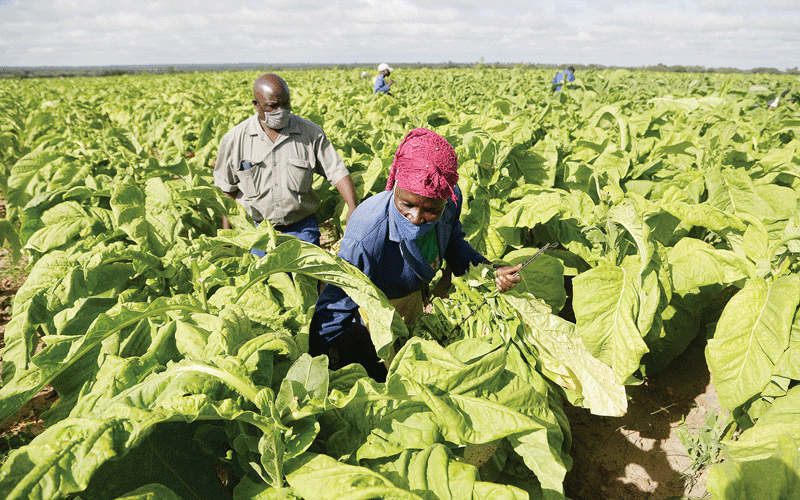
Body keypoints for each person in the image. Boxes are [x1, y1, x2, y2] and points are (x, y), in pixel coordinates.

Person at [308, 127, 524, 380]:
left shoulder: (451, 198)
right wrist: (314, 364)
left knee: (410, 361)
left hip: (411, 295)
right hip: (372, 306)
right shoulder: (366, 232)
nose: (416, 218)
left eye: (431, 210)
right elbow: (335, 303)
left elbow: (454, 244)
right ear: (395, 186)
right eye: (407, 204)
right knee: (379, 372)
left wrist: (489, 270)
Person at [214, 73, 358, 252]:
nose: (280, 111)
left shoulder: (310, 133)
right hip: (256, 233)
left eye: (285, 104)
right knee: (262, 271)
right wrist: (227, 239)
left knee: (306, 271)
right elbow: (227, 191)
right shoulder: (235, 139)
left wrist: (352, 207)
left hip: (302, 229)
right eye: (273, 106)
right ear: (256, 105)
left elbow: (337, 170)